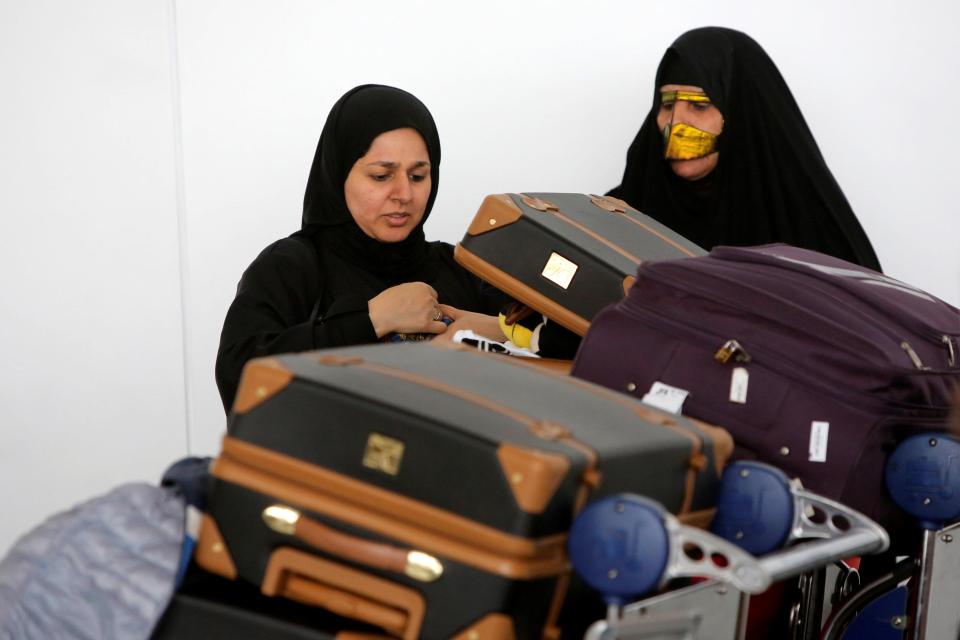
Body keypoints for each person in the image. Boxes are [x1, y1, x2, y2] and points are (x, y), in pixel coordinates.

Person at [215, 84, 504, 412]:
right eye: (382, 176)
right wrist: (373, 320)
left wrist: (495, 330)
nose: (404, 194)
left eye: (418, 176)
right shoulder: (292, 267)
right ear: (338, 175)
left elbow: (563, 344)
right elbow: (239, 375)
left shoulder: (458, 267)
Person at [608, 27, 882, 271]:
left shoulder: (815, 236)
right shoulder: (617, 215)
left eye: (699, 106)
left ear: (743, 116)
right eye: (666, 106)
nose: (675, 124)